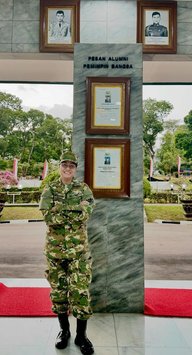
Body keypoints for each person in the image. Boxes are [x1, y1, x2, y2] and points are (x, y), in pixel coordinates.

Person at [39, 150, 95, 355]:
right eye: (65, 165)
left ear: (75, 168)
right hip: (55, 252)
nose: (68, 168)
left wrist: (60, 209)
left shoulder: (83, 189)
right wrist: (74, 210)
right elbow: (47, 217)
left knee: (81, 293)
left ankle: (82, 336)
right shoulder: (50, 189)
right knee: (59, 294)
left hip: (79, 251)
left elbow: (86, 214)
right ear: (59, 167)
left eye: (71, 165)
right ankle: (64, 332)